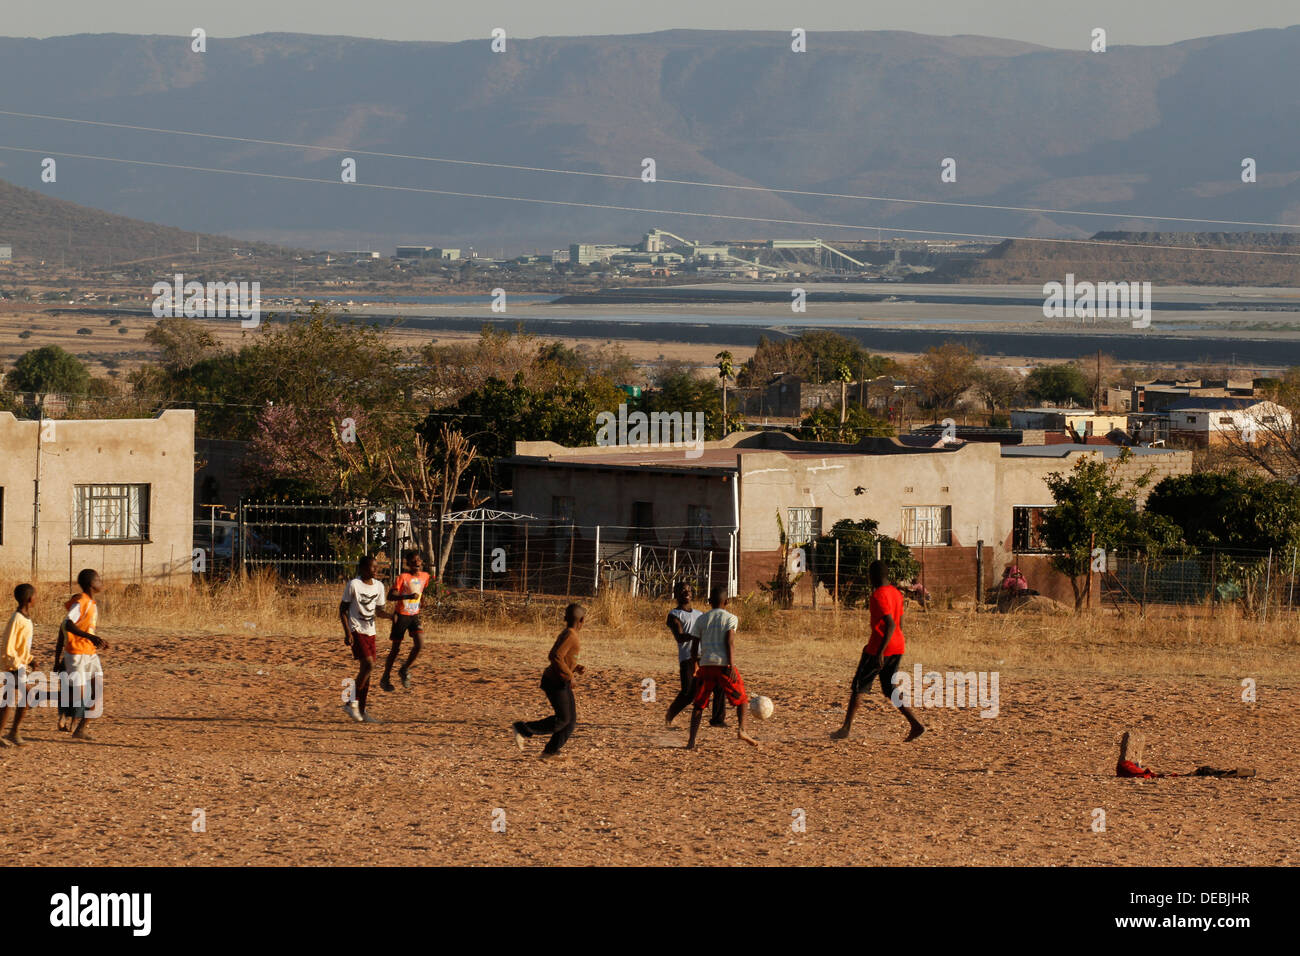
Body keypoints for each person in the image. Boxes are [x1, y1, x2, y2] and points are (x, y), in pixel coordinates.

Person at [832, 560, 924, 742]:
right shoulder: (896, 593)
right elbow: (899, 623)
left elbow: (889, 624)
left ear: (872, 576)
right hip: (898, 645)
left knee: (859, 686)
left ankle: (845, 728)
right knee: (889, 689)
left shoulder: (878, 595)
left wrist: (880, 652)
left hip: (879, 647)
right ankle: (915, 724)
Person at [686, 585, 758, 749]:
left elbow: (694, 647)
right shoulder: (731, 618)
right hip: (723, 666)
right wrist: (731, 665)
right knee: (742, 700)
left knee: (699, 705)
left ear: (709, 601)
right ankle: (742, 730)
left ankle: (691, 741)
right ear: (727, 601)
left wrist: (696, 665)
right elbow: (729, 642)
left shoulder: (701, 619)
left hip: (705, 666)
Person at [512, 604, 585, 759]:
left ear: (566, 618)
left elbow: (562, 657)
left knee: (570, 722)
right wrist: (569, 675)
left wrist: (574, 667)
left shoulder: (568, 633)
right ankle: (523, 728)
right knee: (563, 719)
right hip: (555, 681)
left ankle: (549, 752)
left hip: (560, 680)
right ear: (582, 620)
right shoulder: (571, 635)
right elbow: (555, 656)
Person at [54, 569, 109, 741]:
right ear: (91, 584)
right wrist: (91, 637)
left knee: (98, 691)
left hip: (90, 653)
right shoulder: (82, 602)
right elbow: (67, 624)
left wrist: (95, 640)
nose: (101, 582)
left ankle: (80, 729)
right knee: (80, 694)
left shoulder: (92, 603)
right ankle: (63, 712)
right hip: (76, 654)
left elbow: (84, 628)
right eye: (98, 579)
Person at [664, 582, 726, 726]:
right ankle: (669, 715)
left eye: (689, 590)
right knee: (688, 693)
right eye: (682, 590)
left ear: (692, 594)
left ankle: (718, 720)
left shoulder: (700, 614)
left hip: (705, 656)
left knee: (718, 686)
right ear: (676, 594)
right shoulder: (674, 615)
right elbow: (680, 637)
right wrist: (697, 635)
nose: (686, 592)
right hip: (687, 658)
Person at [340, 555, 386, 724]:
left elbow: (379, 610)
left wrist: (391, 616)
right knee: (368, 664)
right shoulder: (354, 585)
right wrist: (348, 633)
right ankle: (350, 702)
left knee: (367, 671)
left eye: (377, 567)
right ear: (362, 569)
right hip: (356, 629)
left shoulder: (379, 586)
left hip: (370, 631)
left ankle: (361, 710)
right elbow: (342, 610)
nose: (376, 570)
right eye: (372, 567)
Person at [381, 550, 431, 691]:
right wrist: (407, 597)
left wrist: (422, 600)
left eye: (419, 560)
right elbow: (391, 596)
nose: (417, 563)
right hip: (401, 615)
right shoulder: (403, 577)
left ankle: (404, 668)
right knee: (395, 649)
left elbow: (420, 591)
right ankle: (385, 677)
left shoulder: (425, 576)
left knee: (420, 643)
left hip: (414, 615)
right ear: (408, 564)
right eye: (413, 561)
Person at [0, 584, 37, 747]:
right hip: (13, 665)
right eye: (35, 596)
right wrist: (16, 665)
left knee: (9, 699)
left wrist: (30, 659)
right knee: (26, 695)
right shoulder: (17, 619)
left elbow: (22, 644)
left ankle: (12, 732)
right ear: (30, 599)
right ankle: (13, 732)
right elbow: (8, 645)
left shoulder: (25, 617)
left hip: (20, 664)